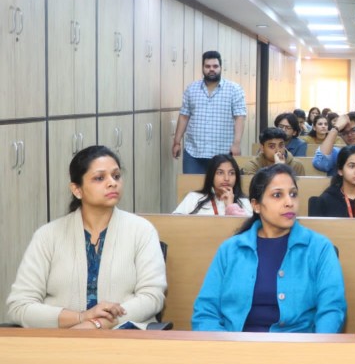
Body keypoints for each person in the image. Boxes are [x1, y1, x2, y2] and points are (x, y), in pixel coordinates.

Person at [7, 146, 166, 329]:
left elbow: (152, 298)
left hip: (123, 338)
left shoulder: (142, 231)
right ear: (77, 190)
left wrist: (97, 324)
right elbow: (20, 306)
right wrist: (81, 317)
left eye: (116, 176)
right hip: (60, 340)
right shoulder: (47, 236)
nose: (112, 183)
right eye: (99, 178)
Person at [192, 164, 346, 332]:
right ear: (256, 205)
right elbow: (205, 312)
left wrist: (316, 346)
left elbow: (332, 309)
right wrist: (225, 346)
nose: (289, 203)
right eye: (277, 195)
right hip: (236, 345)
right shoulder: (230, 250)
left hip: (298, 345)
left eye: (293, 194)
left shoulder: (319, 248)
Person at [172, 50, 246, 173]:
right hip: (194, 153)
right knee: (191, 186)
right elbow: (184, 116)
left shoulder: (234, 90)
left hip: (223, 153)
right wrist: (177, 142)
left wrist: (236, 144)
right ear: (203, 68)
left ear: (221, 67)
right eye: (208, 66)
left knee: (222, 185)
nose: (211, 69)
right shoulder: (191, 89)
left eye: (215, 66)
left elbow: (240, 117)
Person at [174, 154, 253, 216]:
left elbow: (245, 229)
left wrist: (230, 206)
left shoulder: (244, 202)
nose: (226, 178)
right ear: (211, 176)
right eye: (220, 173)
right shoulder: (194, 198)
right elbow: (174, 222)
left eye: (231, 173)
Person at [241, 127, 306, 177]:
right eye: (272, 146)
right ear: (262, 148)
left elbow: (300, 188)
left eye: (281, 145)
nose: (278, 150)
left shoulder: (296, 165)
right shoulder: (253, 166)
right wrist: (278, 168)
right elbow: (257, 189)